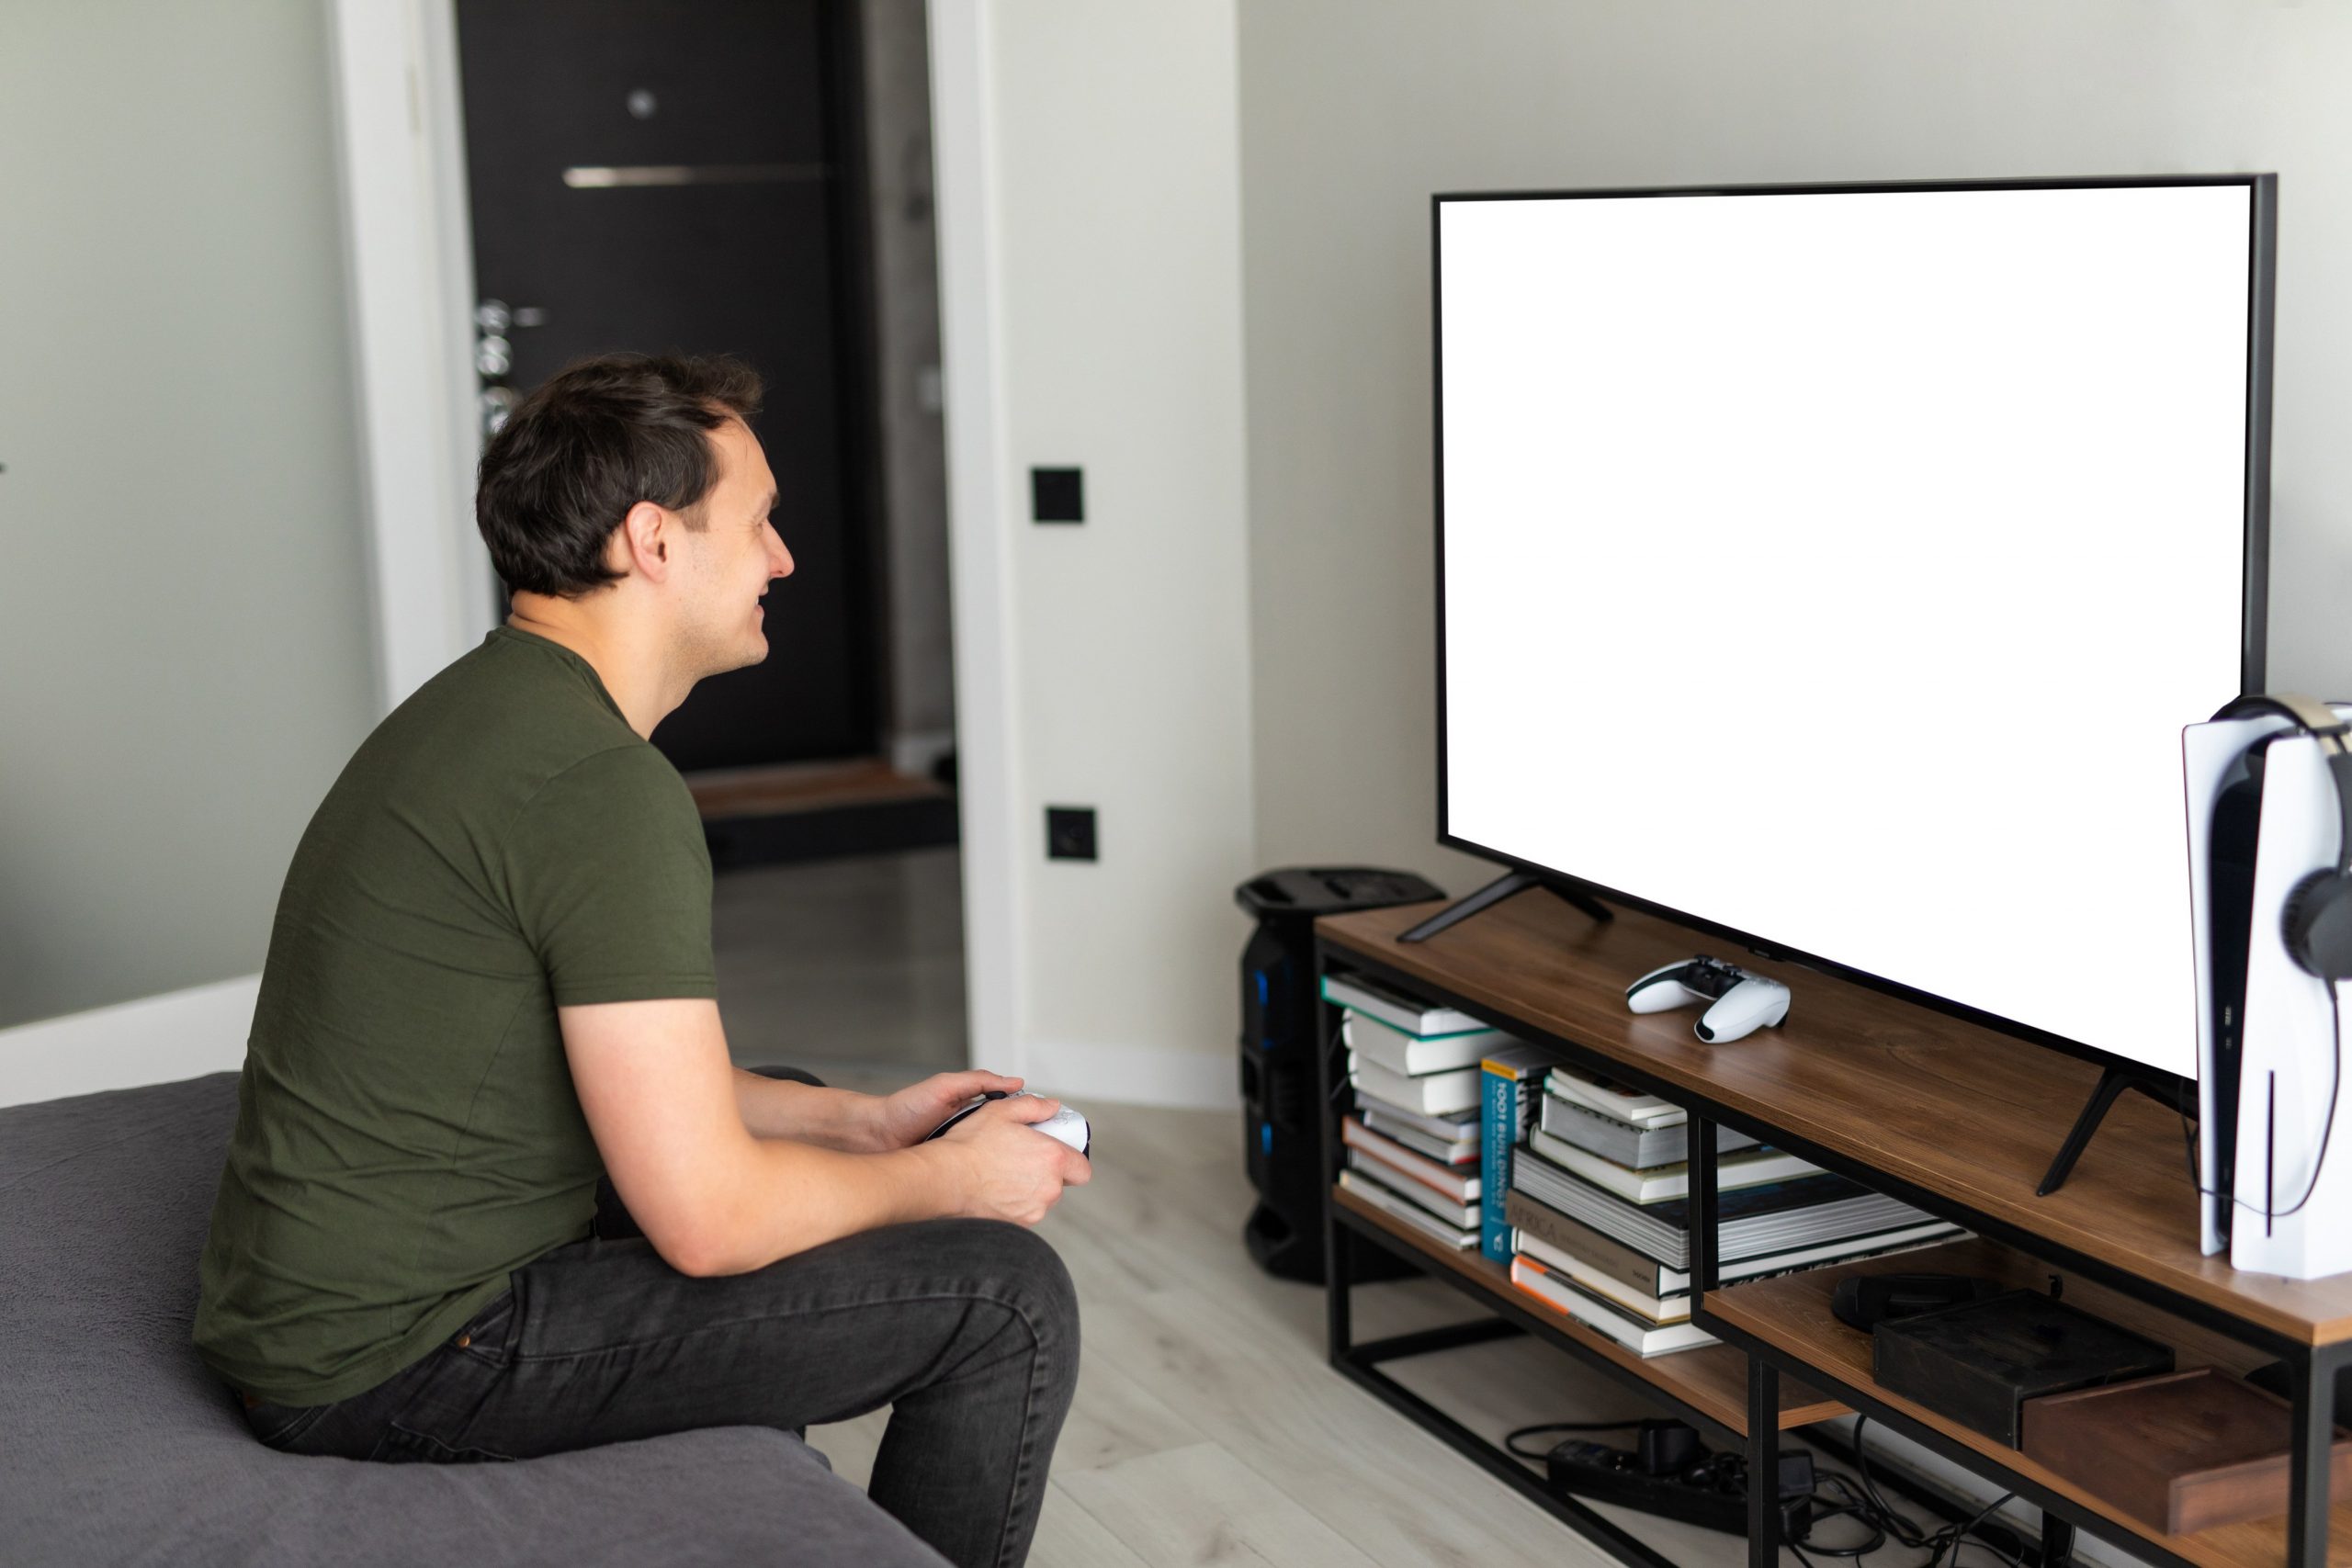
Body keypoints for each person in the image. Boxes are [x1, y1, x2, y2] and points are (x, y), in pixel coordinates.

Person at [193, 353, 1090, 1568]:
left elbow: (582, 1077)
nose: (782, 556)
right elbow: (709, 1222)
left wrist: (871, 1130)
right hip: (389, 1361)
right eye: (761, 519)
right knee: (1005, 1300)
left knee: (796, 1106)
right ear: (655, 540)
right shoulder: (602, 791)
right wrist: (955, 1184)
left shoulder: (485, 707)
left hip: (316, 1304)